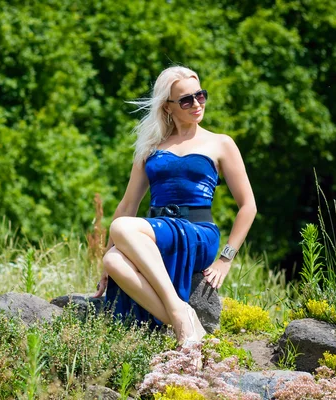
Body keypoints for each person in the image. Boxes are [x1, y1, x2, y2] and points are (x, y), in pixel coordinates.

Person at [92, 66, 257, 347]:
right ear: (168, 107)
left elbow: (248, 206)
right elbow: (128, 203)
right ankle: (184, 316)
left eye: (200, 96)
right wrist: (108, 255)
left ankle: (178, 312)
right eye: (186, 100)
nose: (196, 104)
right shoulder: (150, 148)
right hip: (158, 232)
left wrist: (226, 259)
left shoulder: (221, 143)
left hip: (198, 233)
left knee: (120, 228)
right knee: (112, 260)